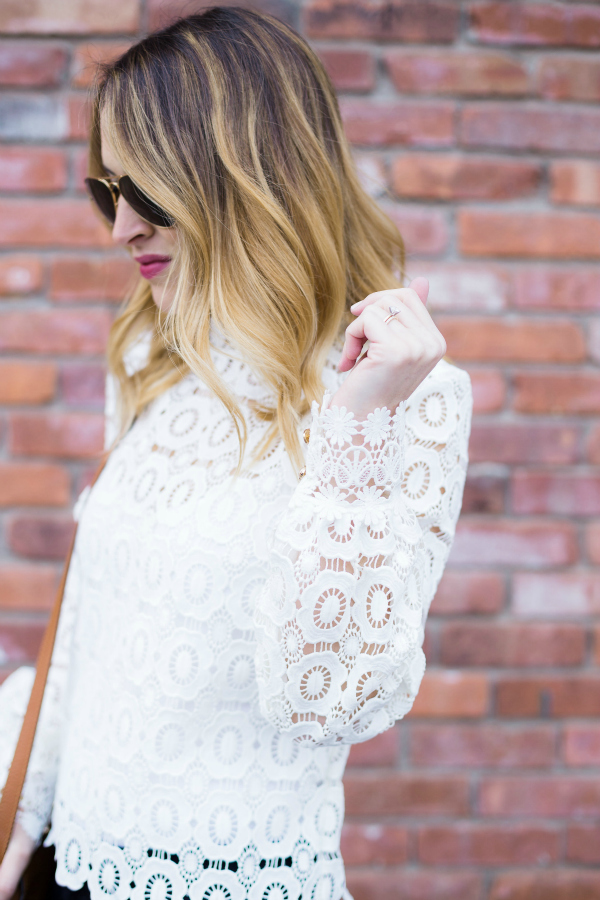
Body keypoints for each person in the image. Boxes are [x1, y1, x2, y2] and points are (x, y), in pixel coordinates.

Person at [0, 8, 472, 900]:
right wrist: (21, 812)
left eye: (149, 192)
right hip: (66, 867)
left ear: (247, 176)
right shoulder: (150, 361)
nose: (121, 229)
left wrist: (358, 426)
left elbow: (326, 698)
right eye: (110, 192)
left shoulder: (409, 396)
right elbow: (89, 639)